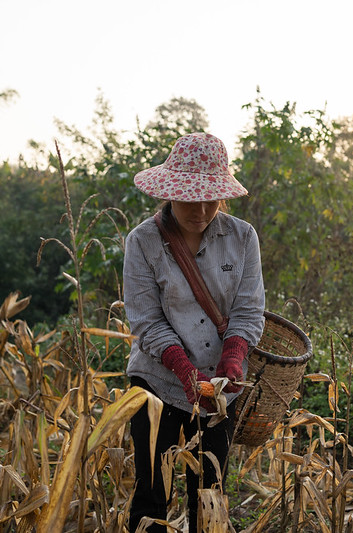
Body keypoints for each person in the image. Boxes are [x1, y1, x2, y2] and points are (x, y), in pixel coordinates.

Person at [124, 133, 265, 532]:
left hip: (220, 389)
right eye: (191, 198)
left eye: (212, 199)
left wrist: (233, 357)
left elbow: (248, 308)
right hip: (158, 383)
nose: (202, 210)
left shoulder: (242, 237)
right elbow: (147, 321)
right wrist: (185, 372)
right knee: (153, 490)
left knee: (208, 490)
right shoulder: (143, 242)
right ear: (169, 192)